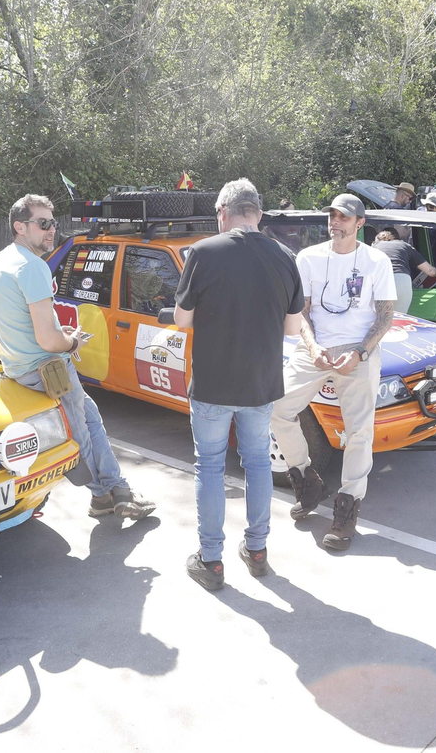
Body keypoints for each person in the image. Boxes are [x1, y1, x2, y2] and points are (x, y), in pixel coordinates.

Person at [0, 194, 156, 518]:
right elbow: (48, 339)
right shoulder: (31, 267)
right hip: (48, 369)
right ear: (20, 226)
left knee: (90, 419)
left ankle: (116, 490)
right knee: (81, 430)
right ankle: (105, 493)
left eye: (52, 222)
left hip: (21, 371)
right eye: (43, 223)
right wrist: (72, 343)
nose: (51, 230)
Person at [173, 179, 304, 590]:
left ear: (222, 213)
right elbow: (293, 327)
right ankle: (258, 550)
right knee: (258, 463)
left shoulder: (204, 252)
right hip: (260, 383)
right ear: (259, 214)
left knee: (209, 467)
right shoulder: (285, 256)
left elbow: (181, 320)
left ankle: (211, 561)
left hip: (213, 382)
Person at [270, 193, 398, 550]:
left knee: (359, 432)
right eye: (332, 216)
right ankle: (307, 480)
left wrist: (360, 352)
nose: (336, 221)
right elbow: (302, 312)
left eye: (344, 217)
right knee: (278, 408)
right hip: (314, 348)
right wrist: (312, 347)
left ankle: (347, 507)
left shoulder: (376, 261)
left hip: (360, 351)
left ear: (360, 224)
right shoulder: (309, 257)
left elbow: (386, 316)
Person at [373, 229, 436, 313]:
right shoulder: (404, 245)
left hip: (381, 281)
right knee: (400, 319)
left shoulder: (372, 248)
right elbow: (431, 272)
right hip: (402, 281)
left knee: (380, 319)